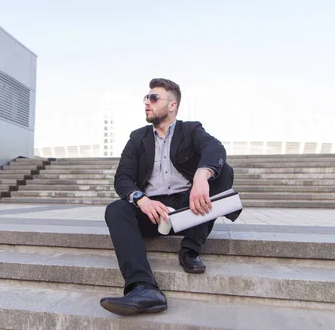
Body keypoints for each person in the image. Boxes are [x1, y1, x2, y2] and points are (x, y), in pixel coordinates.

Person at [100, 78, 241, 316]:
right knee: (115, 210)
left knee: (223, 172)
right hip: (154, 210)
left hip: (190, 209)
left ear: (172, 105)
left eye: (154, 98)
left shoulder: (190, 130)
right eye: (146, 97)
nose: (147, 102)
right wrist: (141, 200)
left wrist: (200, 177)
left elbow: (215, 150)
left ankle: (190, 249)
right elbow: (122, 178)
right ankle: (144, 288)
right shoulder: (138, 138)